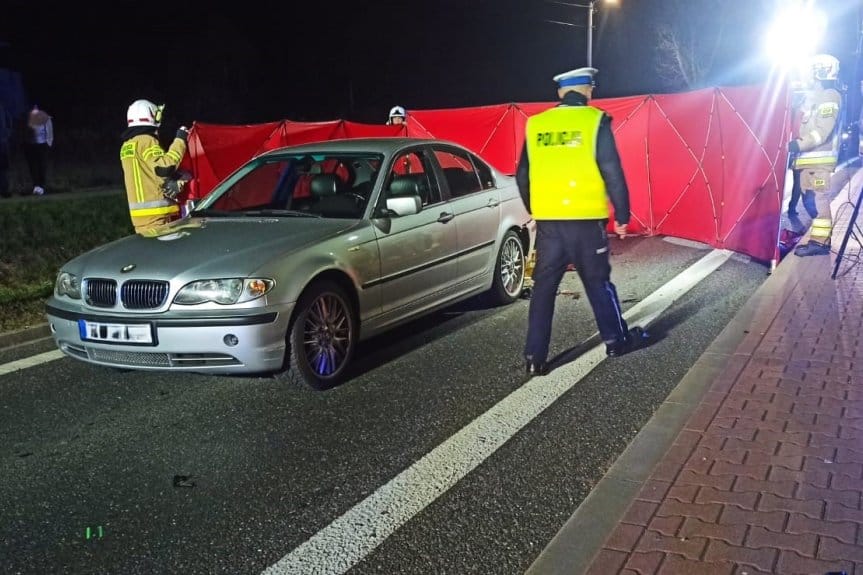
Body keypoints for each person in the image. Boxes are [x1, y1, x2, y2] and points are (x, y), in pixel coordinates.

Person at [516, 67, 650, 376]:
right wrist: (623, 215)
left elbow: (523, 175)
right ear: (587, 90)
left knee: (544, 288)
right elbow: (612, 171)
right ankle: (616, 341)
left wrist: (536, 208)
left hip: (550, 222)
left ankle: (534, 357)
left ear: (560, 92)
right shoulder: (595, 121)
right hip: (586, 222)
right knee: (597, 282)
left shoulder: (536, 125)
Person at [789, 54, 843, 256]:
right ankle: (818, 239)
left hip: (819, 162)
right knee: (809, 201)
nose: (807, 76)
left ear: (820, 72)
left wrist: (797, 144)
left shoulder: (829, 96)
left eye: (810, 72)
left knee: (819, 202)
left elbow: (822, 130)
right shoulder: (815, 97)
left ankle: (820, 243)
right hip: (807, 162)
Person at [120, 99, 189, 234]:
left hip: (140, 219)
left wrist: (176, 179)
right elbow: (164, 168)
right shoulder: (147, 141)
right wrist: (180, 139)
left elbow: (148, 173)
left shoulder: (127, 146)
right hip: (158, 218)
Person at [24, 104, 53, 195]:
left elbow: (49, 132)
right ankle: (36, 185)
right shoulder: (28, 118)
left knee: (42, 165)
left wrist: (48, 144)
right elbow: (26, 131)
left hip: (42, 145)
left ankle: (41, 185)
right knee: (33, 166)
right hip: (31, 145)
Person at [0, 101, 10, 198]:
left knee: (3, 167)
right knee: (3, 168)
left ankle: (4, 190)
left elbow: (8, 122)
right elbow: (9, 122)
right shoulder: (2, 107)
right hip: (3, 140)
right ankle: (4, 190)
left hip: (2, 140)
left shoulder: (2, 108)